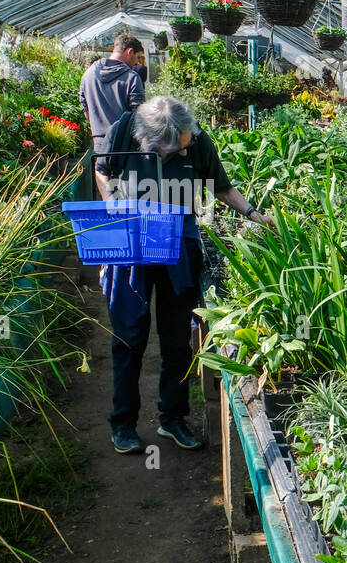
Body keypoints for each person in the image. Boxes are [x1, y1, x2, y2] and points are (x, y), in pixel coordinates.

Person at [96, 96, 274, 455]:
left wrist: (254, 213)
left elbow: (220, 187)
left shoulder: (196, 141)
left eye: (181, 148)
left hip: (178, 242)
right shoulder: (123, 132)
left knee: (178, 338)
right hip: (132, 240)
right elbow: (103, 169)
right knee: (129, 336)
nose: (177, 153)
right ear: (147, 140)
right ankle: (123, 423)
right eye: (168, 150)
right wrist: (113, 204)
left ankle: (172, 418)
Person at [78, 33, 146, 158]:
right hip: (125, 146)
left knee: (102, 175)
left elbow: (86, 112)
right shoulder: (132, 78)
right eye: (137, 57)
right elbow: (139, 116)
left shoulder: (88, 74)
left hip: (99, 145)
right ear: (130, 51)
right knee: (126, 178)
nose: (137, 62)